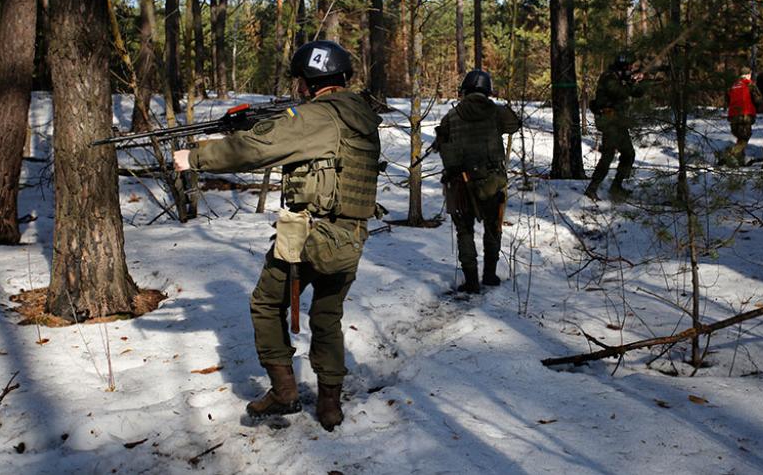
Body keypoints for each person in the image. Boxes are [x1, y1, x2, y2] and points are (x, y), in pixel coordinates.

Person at [173, 40, 382, 432]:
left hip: (307, 237)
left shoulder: (318, 118)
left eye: (299, 81)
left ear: (308, 81)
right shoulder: (360, 116)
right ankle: (330, 405)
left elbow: (256, 149)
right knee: (327, 317)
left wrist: (196, 157)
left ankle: (284, 392)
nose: (297, 87)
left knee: (266, 304)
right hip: (350, 236)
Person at [434, 69, 521, 294]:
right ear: (487, 91)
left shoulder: (451, 116)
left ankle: (471, 281)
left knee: (465, 232)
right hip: (492, 182)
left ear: (466, 89)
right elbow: (514, 125)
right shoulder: (496, 112)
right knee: (493, 229)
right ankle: (489, 275)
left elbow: (442, 141)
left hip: (460, 184)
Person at [584, 53, 645, 202]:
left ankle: (616, 186)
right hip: (608, 121)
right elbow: (619, 92)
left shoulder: (621, 79)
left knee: (628, 154)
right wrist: (631, 82)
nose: (631, 69)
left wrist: (641, 81)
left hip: (618, 122)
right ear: (622, 67)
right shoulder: (609, 78)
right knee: (608, 155)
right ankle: (592, 188)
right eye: (629, 67)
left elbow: (638, 93)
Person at [720, 67, 758, 167]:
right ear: (748, 75)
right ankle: (729, 156)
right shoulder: (750, 85)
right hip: (745, 115)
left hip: (733, 116)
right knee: (745, 138)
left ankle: (740, 160)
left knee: (740, 137)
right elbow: (758, 99)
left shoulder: (733, 86)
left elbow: (728, 100)